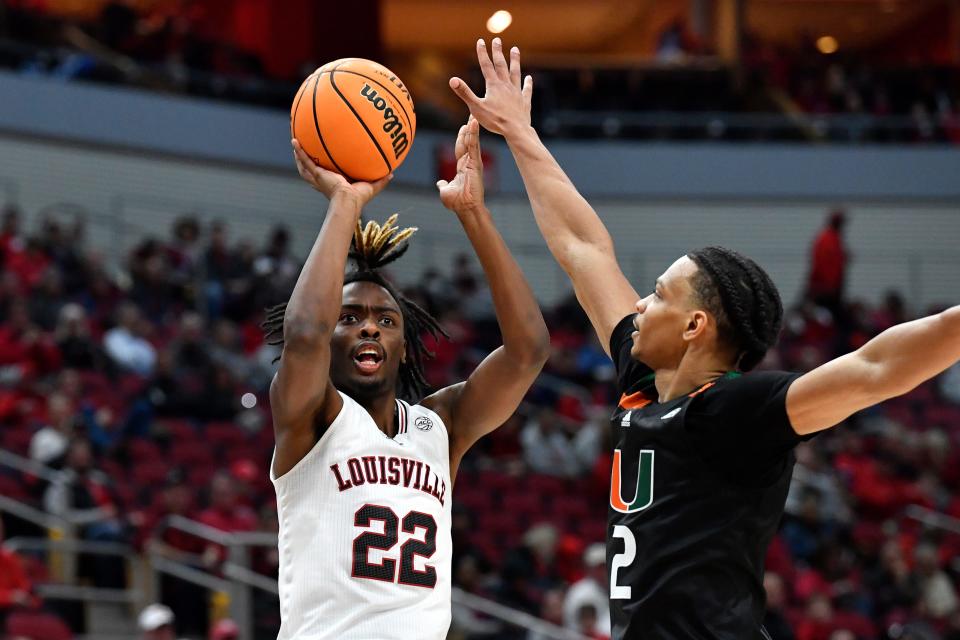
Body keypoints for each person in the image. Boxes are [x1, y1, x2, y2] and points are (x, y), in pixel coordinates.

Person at [449, 37, 960, 639]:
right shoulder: (642, 381)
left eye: (660, 294)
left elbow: (875, 367)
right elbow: (584, 249)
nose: (640, 301)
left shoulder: (733, 411)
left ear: (696, 327)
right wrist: (520, 134)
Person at [263, 117, 550, 640]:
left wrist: (474, 215)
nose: (369, 325)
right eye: (349, 318)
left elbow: (528, 350)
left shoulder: (439, 426)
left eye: (385, 320)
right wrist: (344, 204)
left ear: (403, 346)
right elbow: (303, 334)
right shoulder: (311, 416)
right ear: (331, 335)